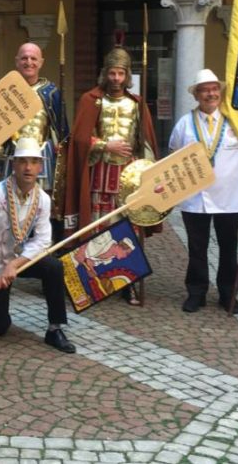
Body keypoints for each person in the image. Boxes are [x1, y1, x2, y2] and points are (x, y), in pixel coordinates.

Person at [63, 45, 157, 305]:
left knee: (128, 229)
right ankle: (94, 280)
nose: (116, 79)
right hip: (99, 173)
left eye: (121, 74)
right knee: (97, 225)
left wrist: (147, 172)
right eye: (112, 73)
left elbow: (146, 143)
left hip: (129, 176)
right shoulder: (91, 100)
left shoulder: (137, 104)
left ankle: (129, 281)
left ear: (128, 76)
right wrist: (105, 145)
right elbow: (80, 138)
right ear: (105, 73)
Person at [0, 138, 75, 353]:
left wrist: (16, 264)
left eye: (34, 162)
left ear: (40, 166)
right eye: (23, 161)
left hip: (17, 261)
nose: (28, 167)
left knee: (54, 267)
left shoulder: (43, 199)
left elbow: (43, 240)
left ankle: (55, 328)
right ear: (14, 165)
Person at [167, 69, 238, 314]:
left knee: (228, 247)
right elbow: (174, 154)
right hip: (195, 197)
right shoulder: (184, 123)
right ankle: (196, 292)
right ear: (196, 94)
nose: (211, 94)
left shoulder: (237, 122)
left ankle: (229, 294)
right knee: (197, 247)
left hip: (230, 197)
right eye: (204, 90)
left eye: (214, 88)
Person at [0, 42, 68, 201]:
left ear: (41, 62)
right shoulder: (4, 89)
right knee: (6, 200)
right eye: (24, 58)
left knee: (40, 201)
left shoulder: (51, 92)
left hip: (40, 154)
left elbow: (63, 131)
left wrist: (61, 149)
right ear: (17, 61)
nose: (29, 62)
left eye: (33, 58)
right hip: (10, 153)